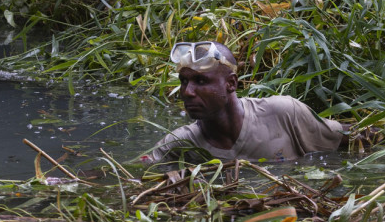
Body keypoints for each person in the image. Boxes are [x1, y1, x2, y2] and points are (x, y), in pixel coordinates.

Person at [141, 41, 347, 164]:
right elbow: (137, 174)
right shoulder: (180, 144)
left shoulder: (284, 114)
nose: (187, 92)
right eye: (184, 81)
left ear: (231, 84)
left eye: (200, 81)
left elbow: (349, 139)